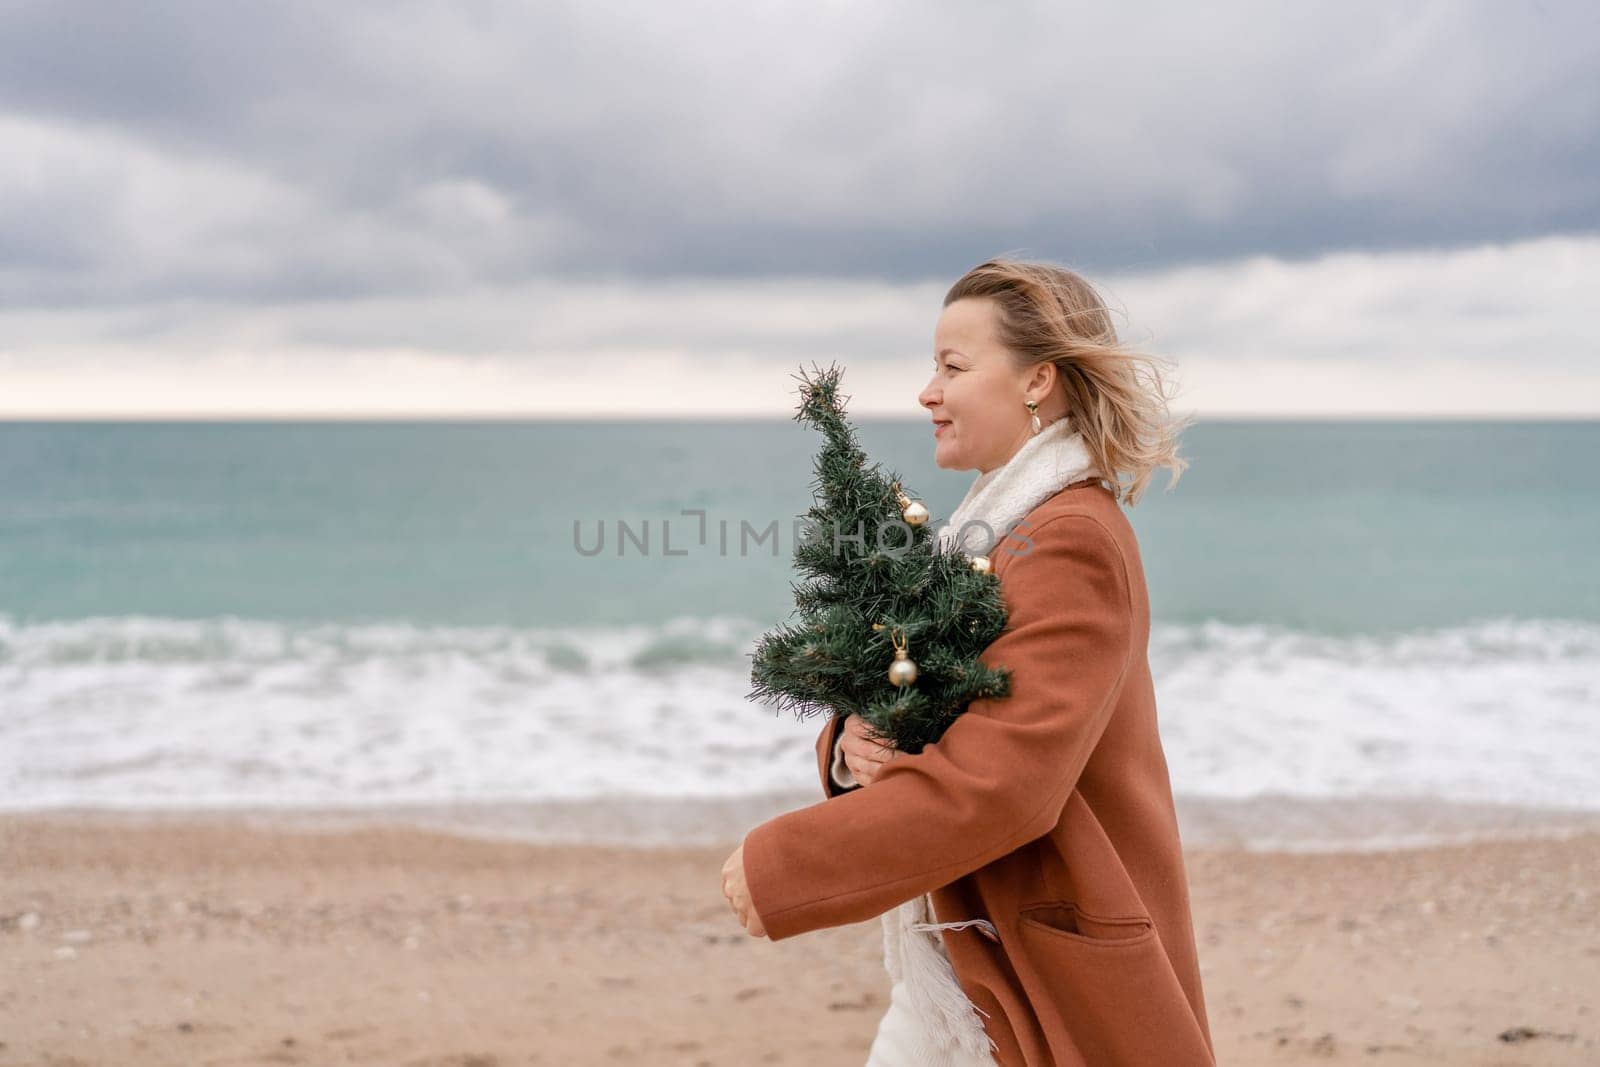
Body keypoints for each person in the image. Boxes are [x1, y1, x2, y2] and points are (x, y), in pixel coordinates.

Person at [720, 256, 1216, 1066]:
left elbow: (1005, 783)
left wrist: (785, 865)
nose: (928, 391)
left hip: (1039, 965)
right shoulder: (996, 527)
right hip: (967, 958)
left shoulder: (1068, 539)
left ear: (1037, 381)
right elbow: (937, 709)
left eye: (953, 366)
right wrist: (854, 742)